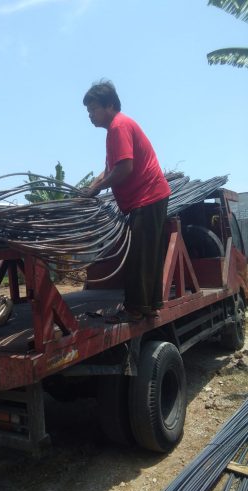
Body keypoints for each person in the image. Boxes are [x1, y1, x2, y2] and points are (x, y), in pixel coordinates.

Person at [83, 80, 171, 322]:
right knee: (146, 254)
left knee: (139, 256)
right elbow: (110, 168)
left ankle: (135, 309)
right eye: (88, 111)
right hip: (148, 198)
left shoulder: (119, 127)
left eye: (93, 110)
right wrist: (92, 186)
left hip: (148, 196)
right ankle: (148, 307)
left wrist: (99, 187)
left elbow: (125, 169)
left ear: (110, 105)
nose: (90, 116)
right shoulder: (114, 130)